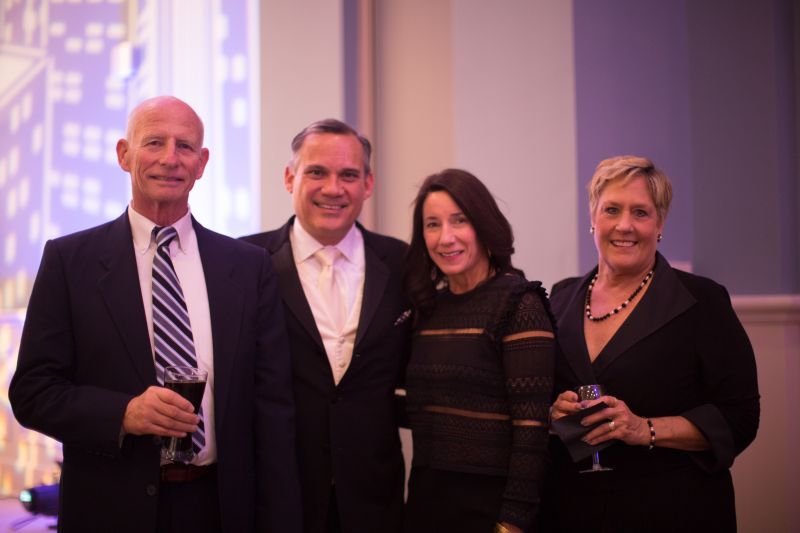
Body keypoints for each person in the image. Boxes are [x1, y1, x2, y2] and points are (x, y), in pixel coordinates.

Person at [9, 96, 302, 533]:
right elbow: (32, 393)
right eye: (154, 143)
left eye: (184, 146)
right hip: (110, 510)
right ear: (124, 154)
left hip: (220, 509)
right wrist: (123, 413)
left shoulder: (247, 266)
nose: (170, 159)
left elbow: (273, 410)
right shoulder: (70, 261)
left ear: (202, 163)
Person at [542, 155, 760, 532]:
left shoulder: (701, 301)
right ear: (592, 218)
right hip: (572, 507)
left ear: (659, 224)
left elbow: (740, 418)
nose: (624, 225)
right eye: (612, 209)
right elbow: (538, 395)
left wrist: (645, 429)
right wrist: (551, 415)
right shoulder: (560, 299)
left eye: (640, 213)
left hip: (672, 508)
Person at [240, 119, 410, 533]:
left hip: (375, 502)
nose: (333, 189)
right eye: (317, 172)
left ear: (368, 184)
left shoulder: (404, 264)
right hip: (276, 499)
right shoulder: (244, 262)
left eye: (348, 175)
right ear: (289, 177)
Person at [402, 169, 555, 533]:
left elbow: (532, 428)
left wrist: (512, 521)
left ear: (485, 226)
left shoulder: (519, 302)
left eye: (460, 221)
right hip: (426, 500)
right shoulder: (428, 309)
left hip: (491, 507)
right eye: (432, 224)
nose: (446, 237)